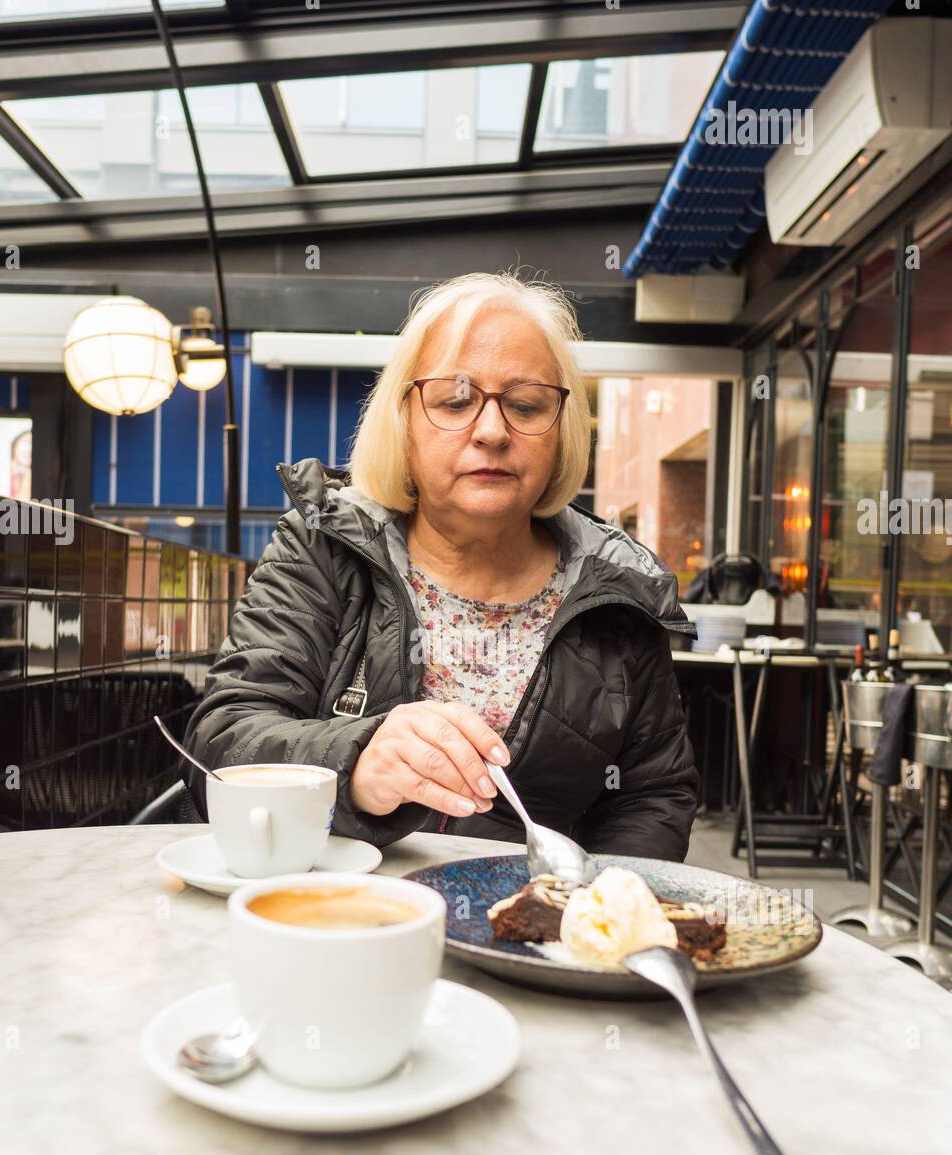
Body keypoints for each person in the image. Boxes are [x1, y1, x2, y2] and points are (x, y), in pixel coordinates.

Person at [183, 270, 699, 858]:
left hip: (522, 932)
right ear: (403, 421)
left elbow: (652, 795)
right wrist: (354, 762)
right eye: (455, 400)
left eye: (526, 405)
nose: (491, 431)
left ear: (563, 430)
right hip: (333, 916)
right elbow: (219, 745)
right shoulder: (323, 548)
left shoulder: (618, 592)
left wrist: (600, 912)